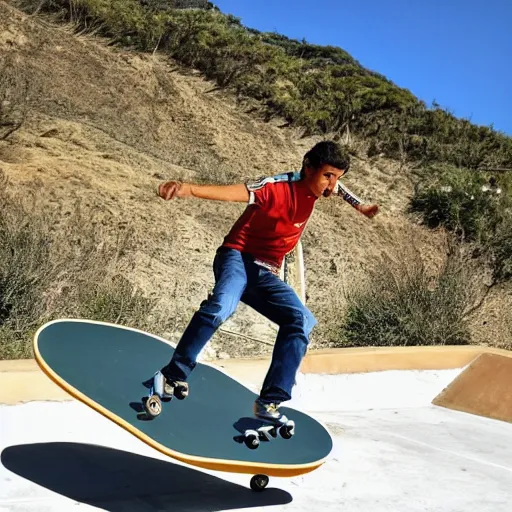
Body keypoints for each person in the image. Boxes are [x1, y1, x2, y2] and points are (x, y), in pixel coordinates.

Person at [153, 140, 379, 421]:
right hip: (237, 257)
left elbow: (341, 189)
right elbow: (237, 192)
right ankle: (173, 373)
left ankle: (270, 402)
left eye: (337, 179)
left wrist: (361, 207)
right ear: (308, 167)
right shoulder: (275, 187)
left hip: (264, 273)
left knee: (302, 321)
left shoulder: (327, 184)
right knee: (222, 306)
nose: (332, 187)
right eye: (327, 177)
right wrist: (187, 189)